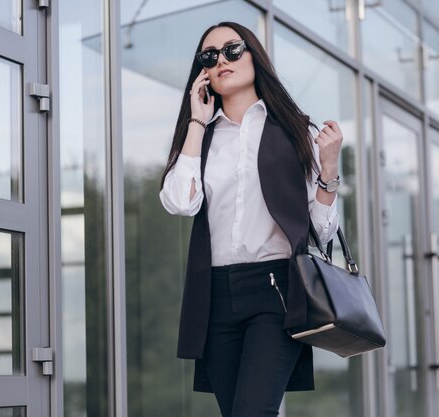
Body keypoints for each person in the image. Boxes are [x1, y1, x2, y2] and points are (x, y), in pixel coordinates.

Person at [159, 21, 343, 417]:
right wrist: (196, 121)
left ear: (254, 55)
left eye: (231, 49)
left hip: (275, 291)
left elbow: (322, 231)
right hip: (216, 295)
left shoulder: (297, 130)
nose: (221, 59)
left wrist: (328, 171)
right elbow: (178, 202)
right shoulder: (201, 136)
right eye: (209, 56)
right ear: (202, 73)